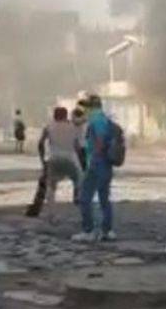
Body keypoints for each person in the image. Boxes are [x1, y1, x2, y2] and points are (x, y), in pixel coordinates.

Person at [72, 95, 116, 242]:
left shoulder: (96, 120)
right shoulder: (105, 119)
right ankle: (107, 230)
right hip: (107, 164)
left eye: (86, 107)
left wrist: (94, 157)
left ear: (91, 107)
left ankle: (88, 231)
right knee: (104, 199)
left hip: (97, 163)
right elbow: (78, 121)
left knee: (84, 198)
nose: (85, 110)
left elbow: (100, 141)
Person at [39, 107, 83, 222]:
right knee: (79, 180)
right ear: (65, 115)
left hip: (54, 158)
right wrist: (80, 160)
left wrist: (43, 159)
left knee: (51, 187)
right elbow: (77, 146)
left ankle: (52, 215)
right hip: (70, 158)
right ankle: (79, 200)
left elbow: (41, 143)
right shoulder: (72, 127)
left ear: (54, 115)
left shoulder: (48, 126)